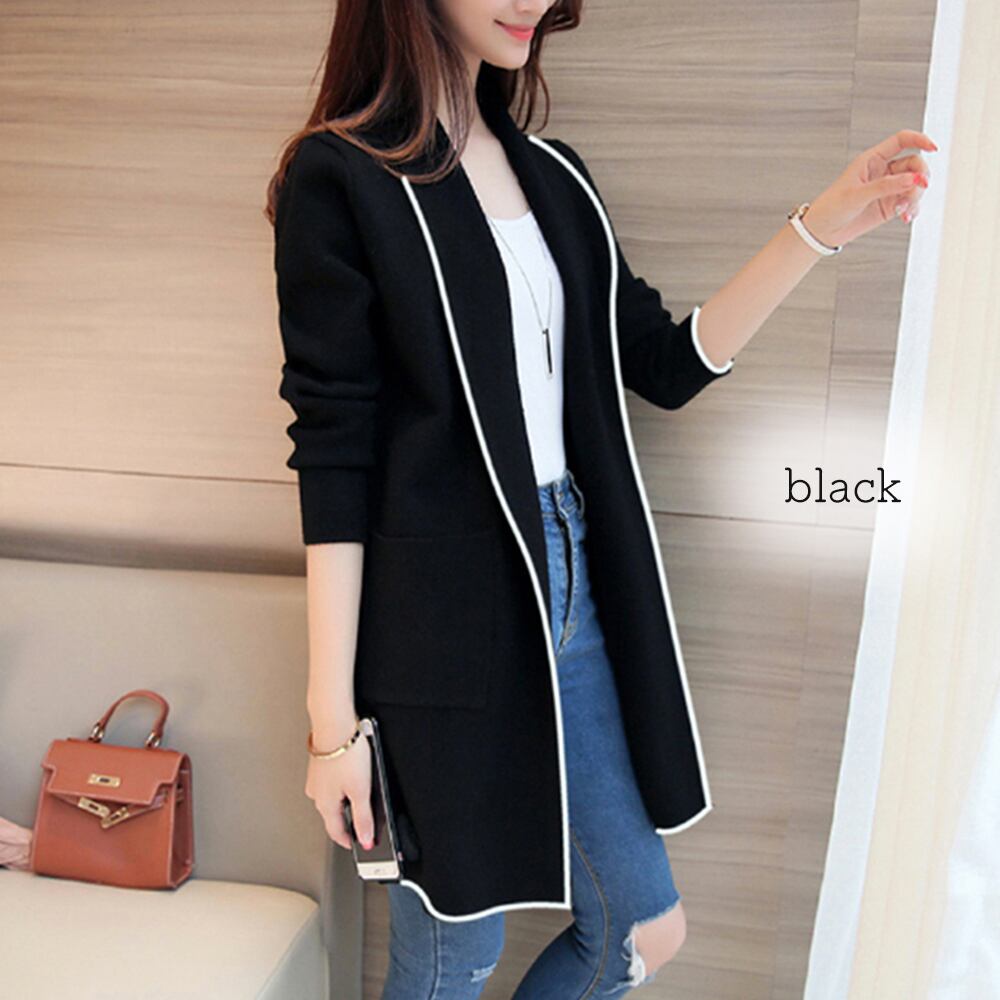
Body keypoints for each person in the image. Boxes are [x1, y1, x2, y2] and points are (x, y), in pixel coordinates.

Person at [266, 1, 936, 995]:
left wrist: (816, 228)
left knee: (639, 928)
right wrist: (333, 728)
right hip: (433, 617)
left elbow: (664, 363)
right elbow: (334, 454)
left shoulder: (554, 177)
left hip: (573, 581)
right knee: (456, 952)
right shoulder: (342, 178)